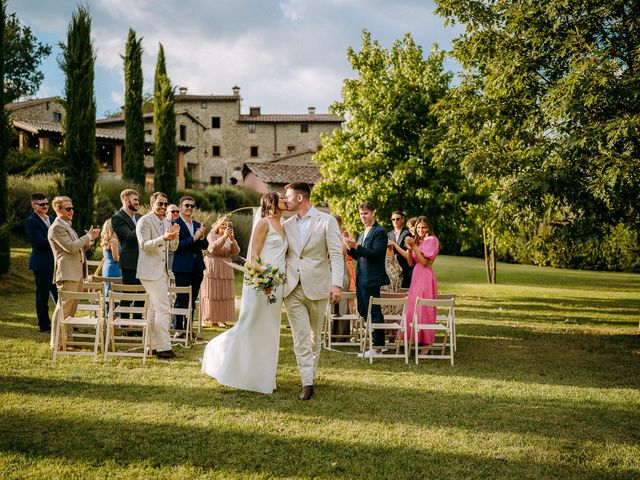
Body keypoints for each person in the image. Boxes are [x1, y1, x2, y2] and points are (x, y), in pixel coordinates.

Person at [202, 192, 288, 394]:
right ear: (272, 203)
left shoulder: (283, 225)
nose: (285, 198)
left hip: (276, 284)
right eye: (281, 197)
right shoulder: (264, 223)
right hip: (262, 284)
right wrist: (264, 280)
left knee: (269, 330)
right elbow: (254, 256)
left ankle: (263, 376)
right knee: (250, 325)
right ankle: (216, 352)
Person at [283, 182, 343, 401]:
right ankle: (307, 382)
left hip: (318, 287)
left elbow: (336, 255)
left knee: (314, 338)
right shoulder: (286, 224)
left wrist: (336, 284)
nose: (285, 199)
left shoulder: (326, 221)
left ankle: (310, 373)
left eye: (287, 196)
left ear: (300, 198)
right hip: (292, 288)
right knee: (300, 337)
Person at [48, 196, 100, 348]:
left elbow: (77, 249)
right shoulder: (57, 227)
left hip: (77, 272)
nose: (72, 211)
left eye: (72, 208)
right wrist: (88, 236)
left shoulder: (67, 226)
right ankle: (56, 343)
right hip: (67, 272)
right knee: (63, 307)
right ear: (58, 209)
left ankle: (67, 340)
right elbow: (70, 247)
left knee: (72, 308)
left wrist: (89, 241)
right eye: (68, 209)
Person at [136, 192, 180, 359]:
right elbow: (144, 245)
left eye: (165, 204)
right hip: (150, 271)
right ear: (152, 204)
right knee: (163, 309)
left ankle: (153, 346)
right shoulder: (144, 221)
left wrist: (175, 236)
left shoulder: (166, 222)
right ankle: (164, 348)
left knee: (155, 310)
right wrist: (164, 237)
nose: (162, 207)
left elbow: (173, 247)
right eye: (159, 204)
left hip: (162, 271)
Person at [344, 202, 390, 358]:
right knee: (363, 310)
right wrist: (350, 247)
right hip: (361, 278)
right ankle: (377, 343)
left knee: (374, 311)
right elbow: (360, 256)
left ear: (373, 213)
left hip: (372, 279)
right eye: (361, 214)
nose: (363, 216)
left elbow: (376, 254)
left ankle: (378, 347)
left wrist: (356, 246)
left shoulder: (380, 232)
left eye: (365, 213)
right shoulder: (363, 232)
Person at [171, 196, 208, 337]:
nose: (189, 208)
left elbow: (205, 246)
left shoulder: (198, 224)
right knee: (181, 299)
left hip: (197, 267)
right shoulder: (175, 224)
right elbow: (177, 247)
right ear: (180, 207)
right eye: (186, 205)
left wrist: (202, 237)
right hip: (182, 267)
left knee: (192, 300)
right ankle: (178, 330)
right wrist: (194, 237)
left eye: (192, 206)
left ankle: (188, 329)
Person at [402, 216, 439, 353]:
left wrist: (414, 246)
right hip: (416, 276)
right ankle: (415, 339)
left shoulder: (432, 240)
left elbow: (424, 262)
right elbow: (411, 263)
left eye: (423, 227)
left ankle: (427, 344)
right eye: (418, 227)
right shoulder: (419, 241)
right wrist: (410, 249)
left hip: (426, 277)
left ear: (428, 227)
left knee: (425, 308)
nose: (420, 230)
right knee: (413, 308)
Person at [24, 193, 57, 333]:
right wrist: (58, 240)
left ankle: (63, 324)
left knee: (60, 296)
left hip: (56, 264)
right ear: (33, 205)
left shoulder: (53, 219)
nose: (45, 206)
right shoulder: (31, 221)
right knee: (42, 296)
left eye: (47, 204)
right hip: (42, 264)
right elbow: (39, 242)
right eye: (41, 204)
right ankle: (44, 326)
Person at [200, 216, 240, 328]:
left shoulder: (229, 238)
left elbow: (235, 251)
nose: (225, 227)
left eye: (227, 225)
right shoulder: (211, 236)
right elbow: (212, 248)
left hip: (226, 267)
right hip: (213, 267)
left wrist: (232, 240)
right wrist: (224, 237)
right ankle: (207, 317)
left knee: (223, 294)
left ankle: (221, 319)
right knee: (211, 294)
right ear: (217, 226)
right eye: (222, 224)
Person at [111, 189, 143, 319]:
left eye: (137, 200)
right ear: (125, 200)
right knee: (127, 296)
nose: (137, 202)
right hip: (129, 263)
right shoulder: (117, 218)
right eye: (134, 199)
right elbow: (129, 237)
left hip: (144, 262)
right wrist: (143, 225)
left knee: (141, 296)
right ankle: (124, 325)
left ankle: (137, 326)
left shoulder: (140, 217)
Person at [331, 215, 355, 340]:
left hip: (342, 272)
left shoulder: (343, 237)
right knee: (331, 303)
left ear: (340, 224)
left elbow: (341, 253)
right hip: (329, 272)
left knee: (342, 302)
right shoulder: (328, 235)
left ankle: (341, 334)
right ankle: (331, 333)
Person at [387, 211, 413, 288]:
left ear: (402, 219)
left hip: (405, 268)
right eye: (393, 219)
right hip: (392, 270)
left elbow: (408, 254)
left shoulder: (408, 233)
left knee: (404, 293)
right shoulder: (388, 234)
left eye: (398, 219)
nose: (395, 221)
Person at [100, 219, 122, 298]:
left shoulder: (105, 240)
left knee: (108, 291)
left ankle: (107, 310)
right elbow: (115, 258)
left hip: (106, 268)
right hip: (114, 268)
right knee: (115, 294)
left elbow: (105, 258)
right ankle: (115, 310)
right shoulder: (114, 240)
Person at [165, 204, 180, 270]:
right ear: (166, 213)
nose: (176, 213)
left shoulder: (177, 224)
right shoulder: (164, 224)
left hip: (177, 262)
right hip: (167, 262)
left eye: (177, 211)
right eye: (173, 211)